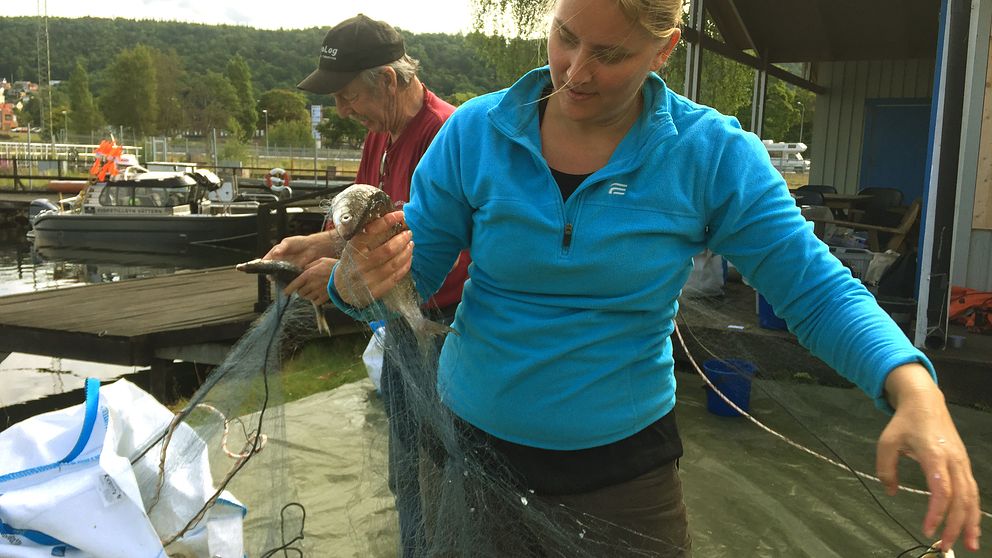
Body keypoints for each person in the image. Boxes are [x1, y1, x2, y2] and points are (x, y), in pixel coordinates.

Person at [326, 0, 983, 555]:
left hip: (625, 479)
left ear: (664, 50)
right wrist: (356, 285)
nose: (576, 73)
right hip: (473, 463)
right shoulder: (475, 133)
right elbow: (406, 283)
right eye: (566, 37)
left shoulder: (711, 154)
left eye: (610, 55)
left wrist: (914, 389)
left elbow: (817, 290)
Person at [265, 14, 470, 557]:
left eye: (348, 95)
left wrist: (336, 279)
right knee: (405, 465)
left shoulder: (446, 135)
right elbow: (361, 229)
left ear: (388, 79)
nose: (341, 110)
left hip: (443, 331)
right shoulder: (381, 134)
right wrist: (311, 245)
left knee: (438, 471)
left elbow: (420, 253)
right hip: (402, 328)